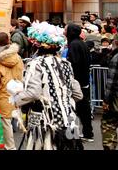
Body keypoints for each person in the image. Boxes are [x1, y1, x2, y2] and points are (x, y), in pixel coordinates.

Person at [11, 22, 83, 150]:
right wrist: (64, 102)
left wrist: (15, 99)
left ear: (36, 45)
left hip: (45, 121)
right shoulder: (66, 64)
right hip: (68, 118)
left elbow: (33, 92)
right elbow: (78, 94)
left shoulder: (35, 64)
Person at [0, 39, 23, 150]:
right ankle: (3, 145)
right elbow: (21, 73)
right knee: (10, 118)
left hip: (2, 91)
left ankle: (9, 147)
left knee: (4, 120)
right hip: (15, 90)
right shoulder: (18, 58)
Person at [65, 23, 94, 142]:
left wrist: (70, 80)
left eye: (66, 29)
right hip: (83, 81)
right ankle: (86, 132)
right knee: (83, 109)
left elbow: (74, 64)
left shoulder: (74, 45)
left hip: (77, 82)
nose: (64, 31)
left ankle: (77, 134)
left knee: (76, 108)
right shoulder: (80, 43)